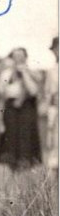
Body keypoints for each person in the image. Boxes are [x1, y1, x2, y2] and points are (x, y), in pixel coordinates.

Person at [0, 48, 43, 171]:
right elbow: (1, 90)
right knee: (11, 139)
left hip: (27, 108)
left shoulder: (32, 73)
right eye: (15, 56)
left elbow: (33, 91)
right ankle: (13, 170)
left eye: (21, 56)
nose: (18, 59)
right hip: (10, 108)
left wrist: (25, 73)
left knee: (26, 138)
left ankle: (26, 169)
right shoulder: (6, 74)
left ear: (25, 57)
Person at [44, 36, 58, 170]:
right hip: (55, 112)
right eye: (55, 49)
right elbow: (47, 92)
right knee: (54, 144)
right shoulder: (52, 70)